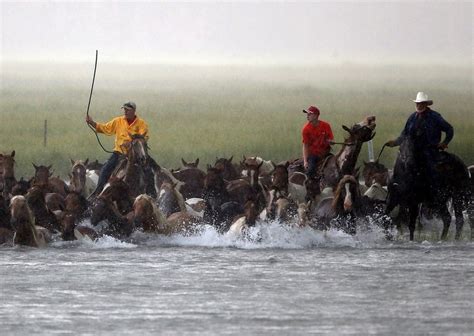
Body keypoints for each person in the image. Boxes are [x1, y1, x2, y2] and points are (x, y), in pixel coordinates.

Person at [86, 101, 157, 198]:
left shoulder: (141, 124)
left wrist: (131, 143)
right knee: (105, 170)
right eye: (124, 109)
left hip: (136, 154)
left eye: (128, 110)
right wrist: (92, 122)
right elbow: (105, 128)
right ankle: (98, 193)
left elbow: (144, 138)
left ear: (134, 111)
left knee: (149, 173)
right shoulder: (118, 121)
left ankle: (152, 196)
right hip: (119, 153)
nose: (125, 112)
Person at [385, 92, 453, 190]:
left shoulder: (435, 117)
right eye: (417, 103)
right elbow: (405, 135)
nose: (419, 105)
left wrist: (445, 143)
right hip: (413, 152)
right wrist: (395, 143)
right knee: (400, 165)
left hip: (430, 151)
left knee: (431, 170)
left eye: (421, 103)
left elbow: (449, 129)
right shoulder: (412, 118)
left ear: (426, 104)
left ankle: (435, 192)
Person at [302, 105, 334, 179]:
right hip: (313, 155)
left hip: (326, 153)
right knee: (310, 170)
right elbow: (305, 146)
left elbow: (331, 139)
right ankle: (310, 185)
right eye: (307, 114)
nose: (307, 116)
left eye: (309, 114)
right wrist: (305, 161)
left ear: (316, 116)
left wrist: (331, 141)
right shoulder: (306, 129)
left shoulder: (326, 125)